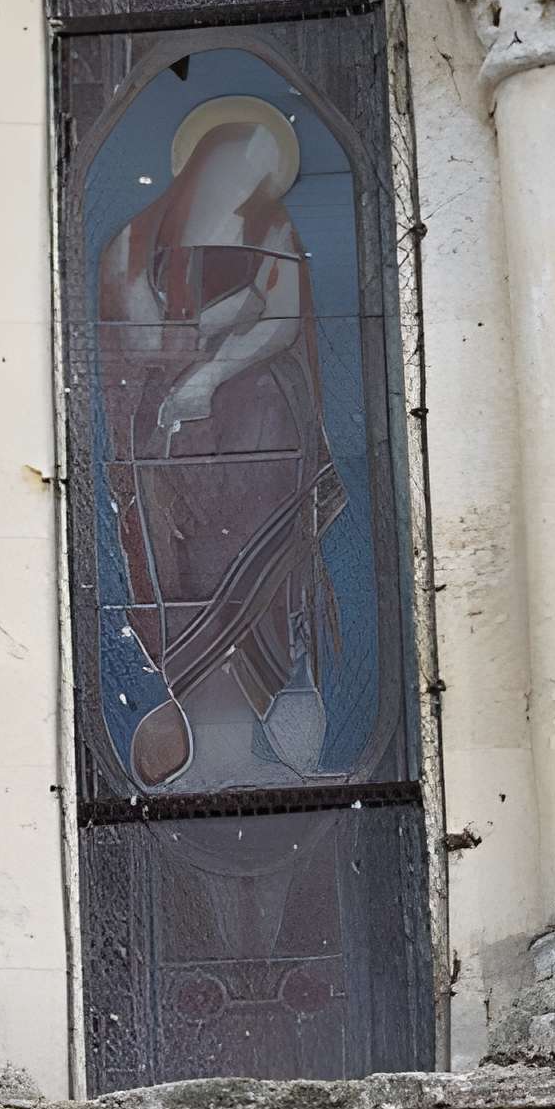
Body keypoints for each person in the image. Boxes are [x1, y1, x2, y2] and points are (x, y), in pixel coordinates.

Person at [95, 93, 344, 793]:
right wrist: (216, 326)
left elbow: (284, 318)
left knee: (264, 590)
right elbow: (136, 338)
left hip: (263, 442)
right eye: (244, 172)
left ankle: (257, 751)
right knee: (188, 586)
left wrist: (214, 368)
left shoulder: (275, 230)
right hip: (171, 449)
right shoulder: (134, 246)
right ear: (206, 163)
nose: (252, 191)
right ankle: (202, 753)